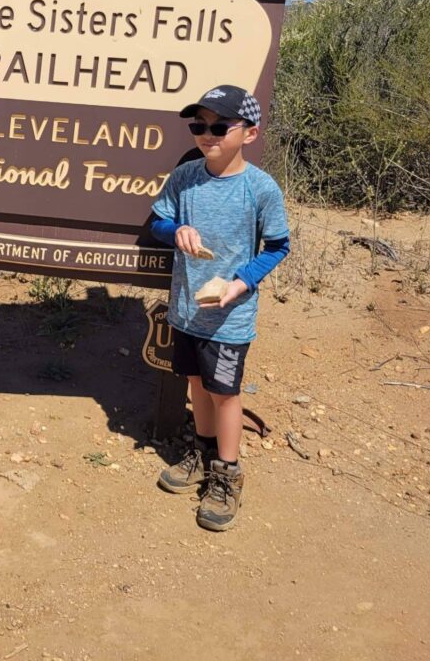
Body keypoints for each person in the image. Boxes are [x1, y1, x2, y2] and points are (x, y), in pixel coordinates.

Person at [149, 85, 290, 531]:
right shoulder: (185, 176)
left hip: (230, 315)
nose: (207, 135)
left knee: (225, 393)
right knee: (195, 381)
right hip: (188, 307)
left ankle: (227, 474)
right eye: (199, 125)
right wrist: (175, 231)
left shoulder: (260, 188)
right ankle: (202, 451)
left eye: (219, 126)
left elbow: (278, 246)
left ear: (248, 133)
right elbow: (157, 220)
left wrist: (241, 282)